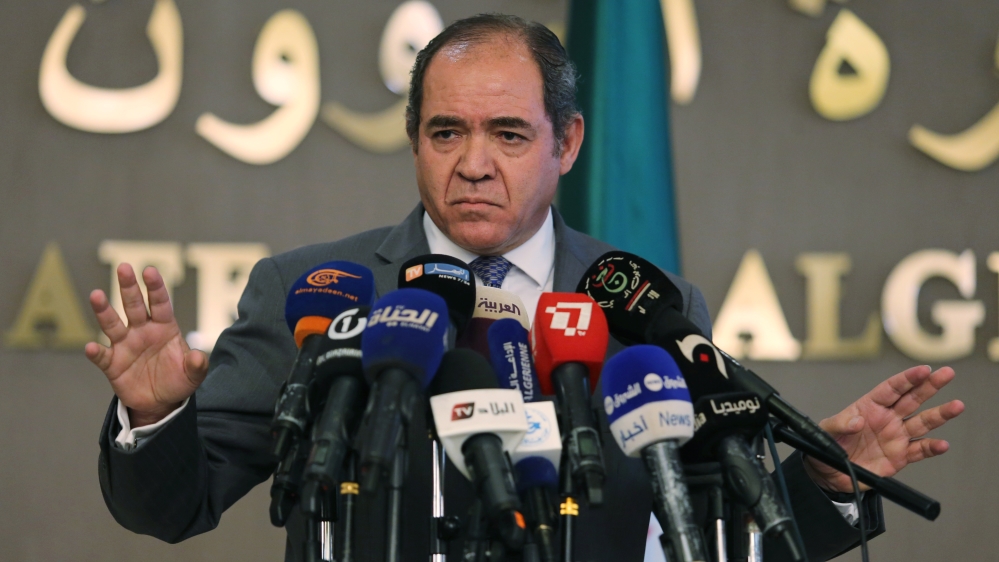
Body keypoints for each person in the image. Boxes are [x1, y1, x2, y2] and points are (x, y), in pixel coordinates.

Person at [86, 14, 964, 562]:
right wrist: (154, 419)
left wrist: (822, 480)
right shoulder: (315, 292)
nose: (473, 164)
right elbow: (172, 507)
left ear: (567, 143)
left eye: (508, 134)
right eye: (446, 132)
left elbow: (707, 539)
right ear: (414, 139)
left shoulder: (645, 306)